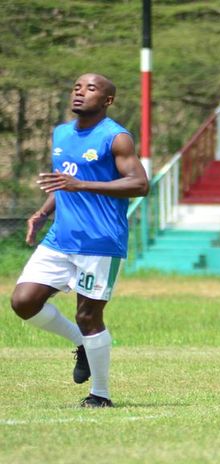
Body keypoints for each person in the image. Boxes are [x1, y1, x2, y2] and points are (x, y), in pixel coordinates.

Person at [9, 73, 149, 408]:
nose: (80, 93)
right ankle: (81, 344)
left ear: (107, 100)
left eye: (90, 88)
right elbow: (64, 182)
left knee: (88, 317)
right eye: (76, 87)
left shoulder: (116, 138)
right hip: (61, 237)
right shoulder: (60, 133)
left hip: (100, 241)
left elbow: (140, 185)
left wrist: (81, 185)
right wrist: (43, 212)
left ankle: (100, 394)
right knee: (23, 301)